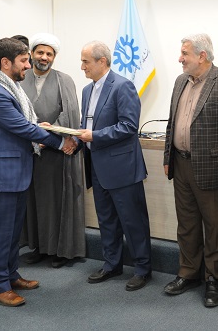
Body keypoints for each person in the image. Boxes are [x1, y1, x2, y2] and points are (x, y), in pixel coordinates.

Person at [0, 37, 66, 307]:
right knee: (1, 233)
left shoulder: (10, 88)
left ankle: (11, 275)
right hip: (2, 175)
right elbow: (24, 128)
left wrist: (46, 129)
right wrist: (61, 142)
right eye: (24, 60)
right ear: (6, 63)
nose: (29, 65)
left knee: (13, 232)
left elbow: (28, 123)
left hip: (15, 173)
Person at [162, 33, 218, 308]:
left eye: (184, 53)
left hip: (213, 169)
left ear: (202, 55)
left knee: (214, 227)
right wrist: (168, 156)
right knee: (186, 224)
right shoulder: (180, 81)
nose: (180, 58)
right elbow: (172, 122)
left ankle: (214, 279)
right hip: (181, 164)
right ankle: (188, 273)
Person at [75, 41, 152, 291]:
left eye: (86, 61)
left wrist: (94, 136)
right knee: (106, 219)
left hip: (122, 168)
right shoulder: (86, 90)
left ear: (102, 61)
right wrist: (73, 136)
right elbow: (87, 125)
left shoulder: (122, 86)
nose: (82, 66)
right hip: (97, 166)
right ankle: (112, 264)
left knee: (133, 221)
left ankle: (142, 269)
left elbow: (129, 126)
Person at [18, 33, 85, 268]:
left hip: (56, 151)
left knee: (57, 202)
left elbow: (70, 114)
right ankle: (39, 247)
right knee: (34, 201)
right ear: (31, 54)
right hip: (28, 151)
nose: (44, 57)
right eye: (40, 52)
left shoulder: (63, 80)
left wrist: (48, 136)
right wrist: (33, 137)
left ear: (54, 57)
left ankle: (60, 251)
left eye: (49, 54)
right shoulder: (21, 78)